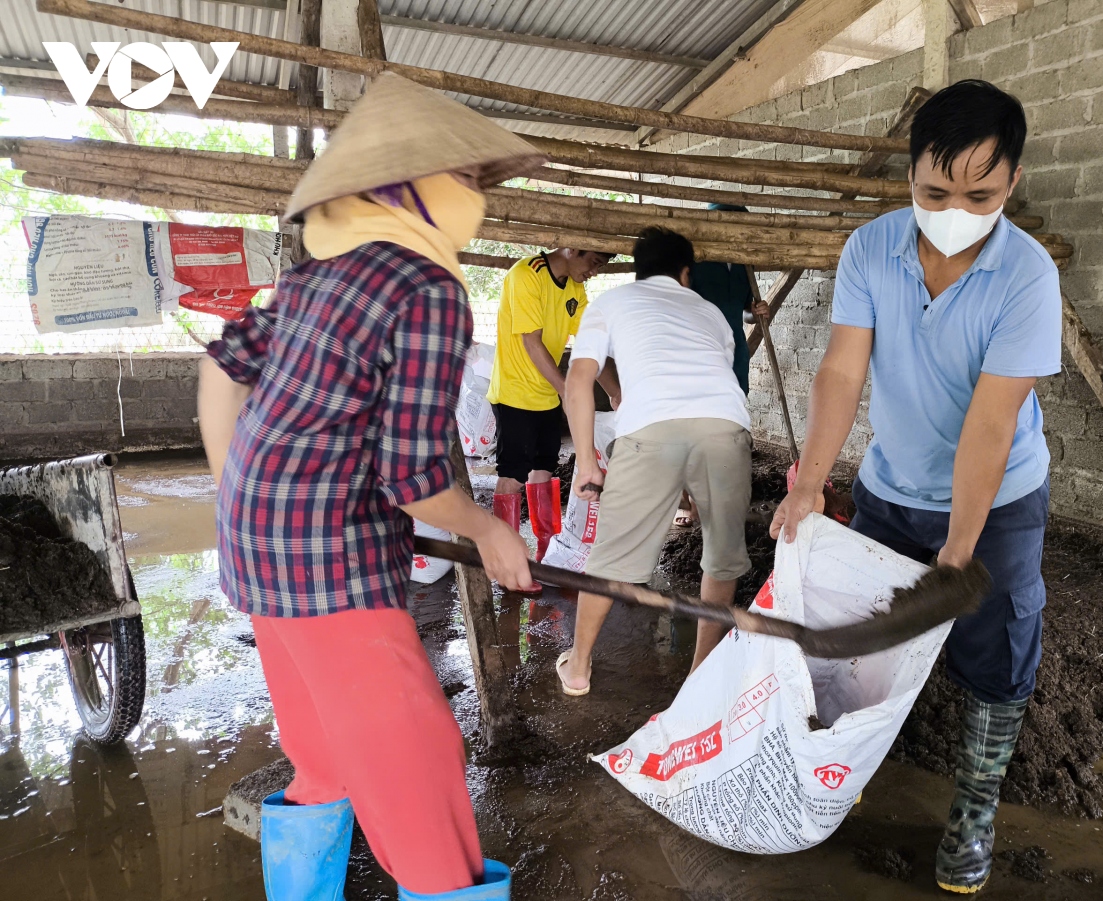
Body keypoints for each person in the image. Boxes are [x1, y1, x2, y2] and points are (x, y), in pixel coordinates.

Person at [197, 73, 542, 901]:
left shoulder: (313, 278)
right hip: (331, 568)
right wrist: (490, 530)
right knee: (419, 780)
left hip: (259, 552)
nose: (477, 197)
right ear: (414, 189)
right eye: (467, 180)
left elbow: (219, 372)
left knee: (323, 756)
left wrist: (241, 492)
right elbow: (413, 474)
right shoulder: (427, 290)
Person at [770, 79, 1061, 895]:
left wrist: (958, 555)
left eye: (981, 193)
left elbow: (992, 424)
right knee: (872, 637)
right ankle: (853, 760)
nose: (955, 209)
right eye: (935, 191)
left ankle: (975, 808)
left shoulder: (1028, 278)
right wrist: (810, 484)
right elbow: (841, 368)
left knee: (994, 654)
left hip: (996, 501)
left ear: (1013, 183)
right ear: (909, 177)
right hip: (891, 487)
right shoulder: (871, 249)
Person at [557, 227, 753, 695]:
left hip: (648, 427)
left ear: (638, 268)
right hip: (725, 426)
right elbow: (712, 380)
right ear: (686, 273)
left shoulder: (609, 302)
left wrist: (587, 461)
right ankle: (701, 675)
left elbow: (577, 382)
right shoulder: (709, 311)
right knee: (722, 557)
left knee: (611, 560)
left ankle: (579, 667)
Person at [487, 248, 619, 581]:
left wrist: (616, 392)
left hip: (545, 396)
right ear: (573, 249)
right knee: (513, 475)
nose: (593, 273)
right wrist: (568, 390)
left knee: (543, 470)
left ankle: (547, 553)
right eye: (593, 263)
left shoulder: (574, 287)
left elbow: (592, 342)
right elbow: (532, 342)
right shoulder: (526, 275)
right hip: (515, 394)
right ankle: (505, 562)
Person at [682, 204, 769, 525]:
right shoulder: (697, 261)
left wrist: (757, 310)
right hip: (701, 352)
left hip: (734, 355)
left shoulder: (744, 263)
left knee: (729, 421)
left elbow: (745, 311)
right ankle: (687, 498)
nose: (735, 231)